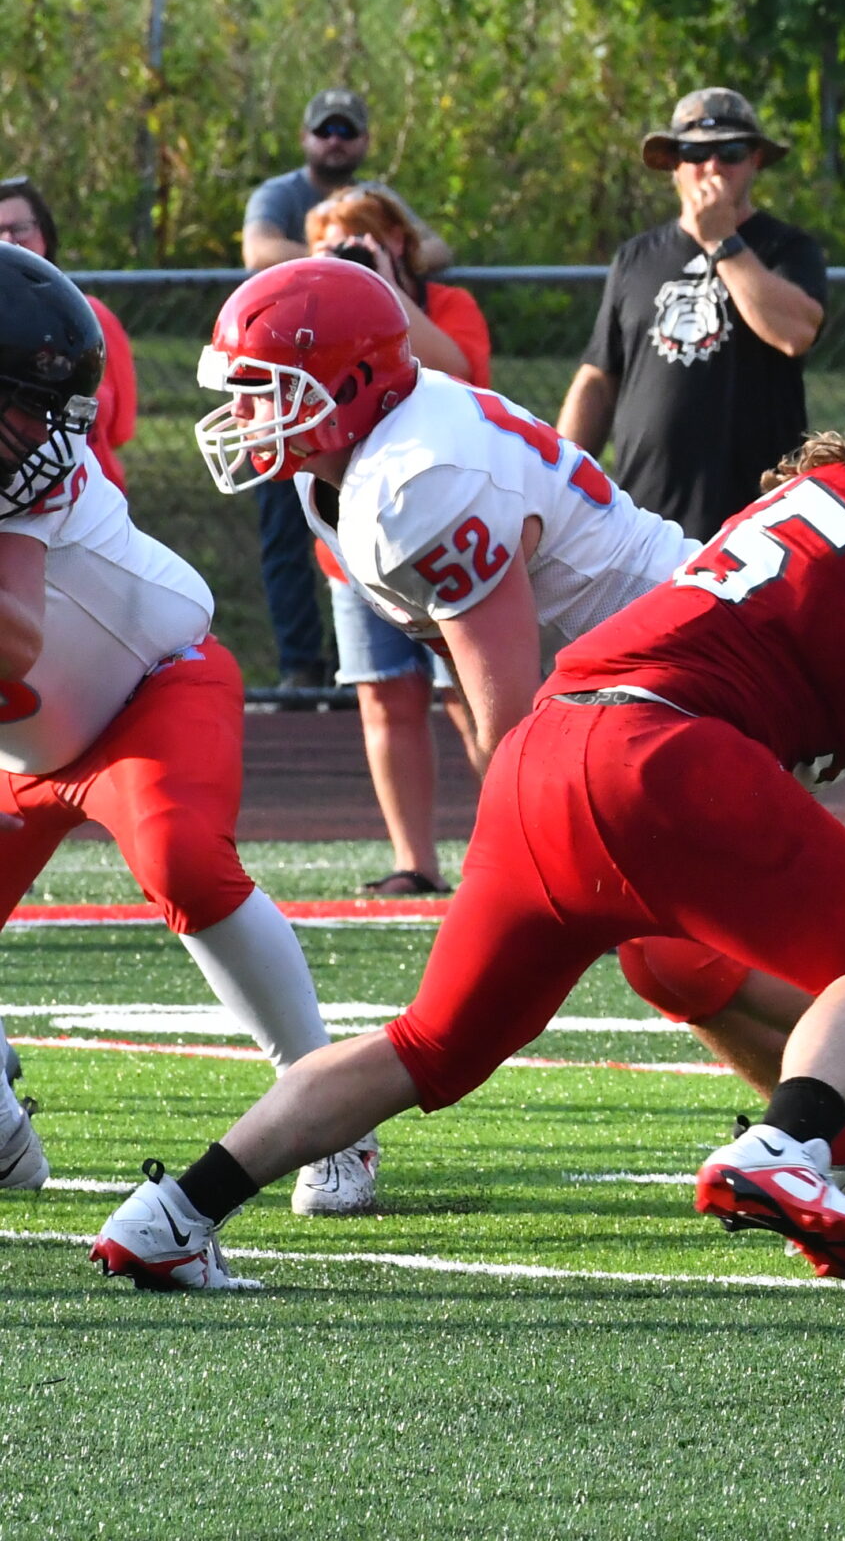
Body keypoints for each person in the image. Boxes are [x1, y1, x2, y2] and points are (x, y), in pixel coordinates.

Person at [96, 313, 845, 1291]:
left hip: (544, 754)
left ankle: (173, 1213)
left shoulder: (826, 493)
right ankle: (790, 1146)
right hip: (656, 753)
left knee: (428, 1046)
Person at [0, 244, 374, 1217]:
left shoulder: (32, 470)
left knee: (181, 860)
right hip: (27, 746)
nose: (41, 434)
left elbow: (14, 634)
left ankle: (328, 1103)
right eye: (20, 405)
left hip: (150, 690)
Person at [291, 188, 492, 896]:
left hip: (445, 531)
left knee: (471, 697)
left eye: (358, 240)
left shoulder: (447, 305)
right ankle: (416, 860)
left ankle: (515, 843)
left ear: (396, 244)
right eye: (328, 245)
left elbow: (457, 370)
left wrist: (379, 288)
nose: (340, 255)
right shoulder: (309, 326)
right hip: (354, 538)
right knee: (383, 695)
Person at [242, 90, 451, 692]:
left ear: (363, 139)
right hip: (286, 389)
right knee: (288, 532)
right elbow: (258, 249)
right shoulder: (281, 194)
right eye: (323, 128)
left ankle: (354, 667)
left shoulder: (374, 198)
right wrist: (335, 259)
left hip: (357, 397)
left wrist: (378, 254)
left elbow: (437, 246)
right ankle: (299, 667)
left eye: (347, 129)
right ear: (305, 136)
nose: (335, 139)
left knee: (369, 536)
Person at [557, 89, 827, 543]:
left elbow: (795, 334)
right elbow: (599, 378)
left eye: (732, 152)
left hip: (758, 522)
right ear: (672, 165)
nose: (713, 166)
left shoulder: (787, 249)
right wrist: (558, 478)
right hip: (646, 522)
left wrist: (722, 241)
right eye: (695, 152)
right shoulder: (636, 257)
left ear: (756, 159)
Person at [0, 179, 138, 491]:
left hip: (87, 497)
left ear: (45, 233)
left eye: (20, 227)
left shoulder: (89, 319)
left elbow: (121, 430)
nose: (8, 239)